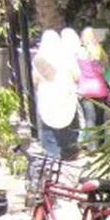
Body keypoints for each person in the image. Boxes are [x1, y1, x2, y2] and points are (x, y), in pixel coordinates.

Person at [32, 29, 80, 161]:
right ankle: (69, 152)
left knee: (47, 126)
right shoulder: (66, 56)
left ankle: (51, 155)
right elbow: (76, 75)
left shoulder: (39, 58)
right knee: (67, 124)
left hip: (47, 97)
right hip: (65, 96)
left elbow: (35, 79)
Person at [76, 27, 110, 150]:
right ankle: (101, 144)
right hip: (100, 89)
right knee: (100, 118)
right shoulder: (99, 52)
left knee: (89, 118)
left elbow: (76, 72)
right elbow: (104, 71)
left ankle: (91, 146)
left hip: (85, 90)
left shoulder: (79, 53)